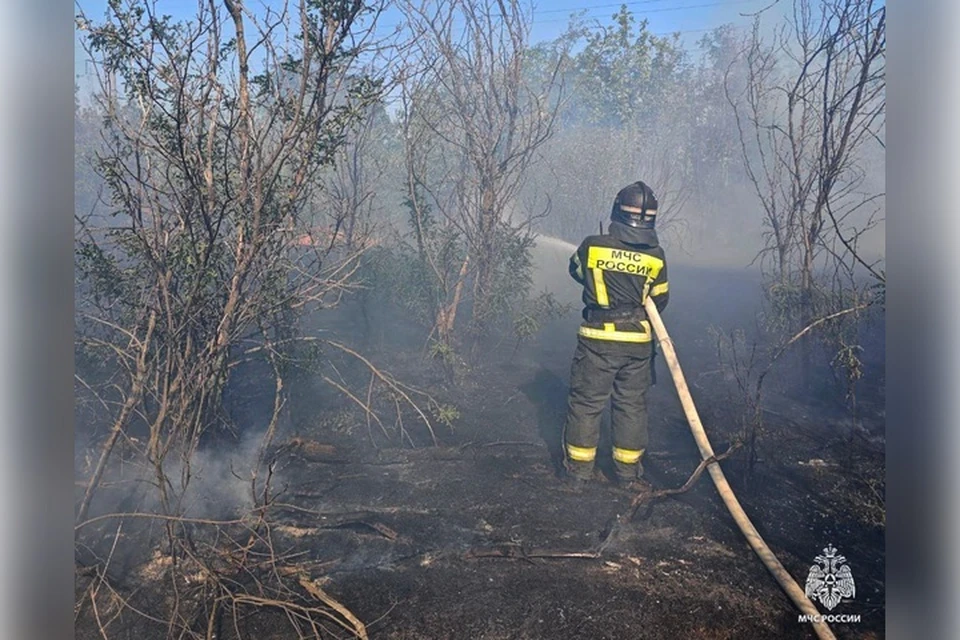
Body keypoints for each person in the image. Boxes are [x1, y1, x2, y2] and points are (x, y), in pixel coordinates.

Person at [562, 181, 669, 490]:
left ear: (617, 212)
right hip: (637, 344)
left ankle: (578, 473)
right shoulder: (656, 256)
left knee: (587, 403)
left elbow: (577, 272)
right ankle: (628, 476)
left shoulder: (593, 245)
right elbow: (660, 300)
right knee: (631, 406)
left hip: (597, 340)